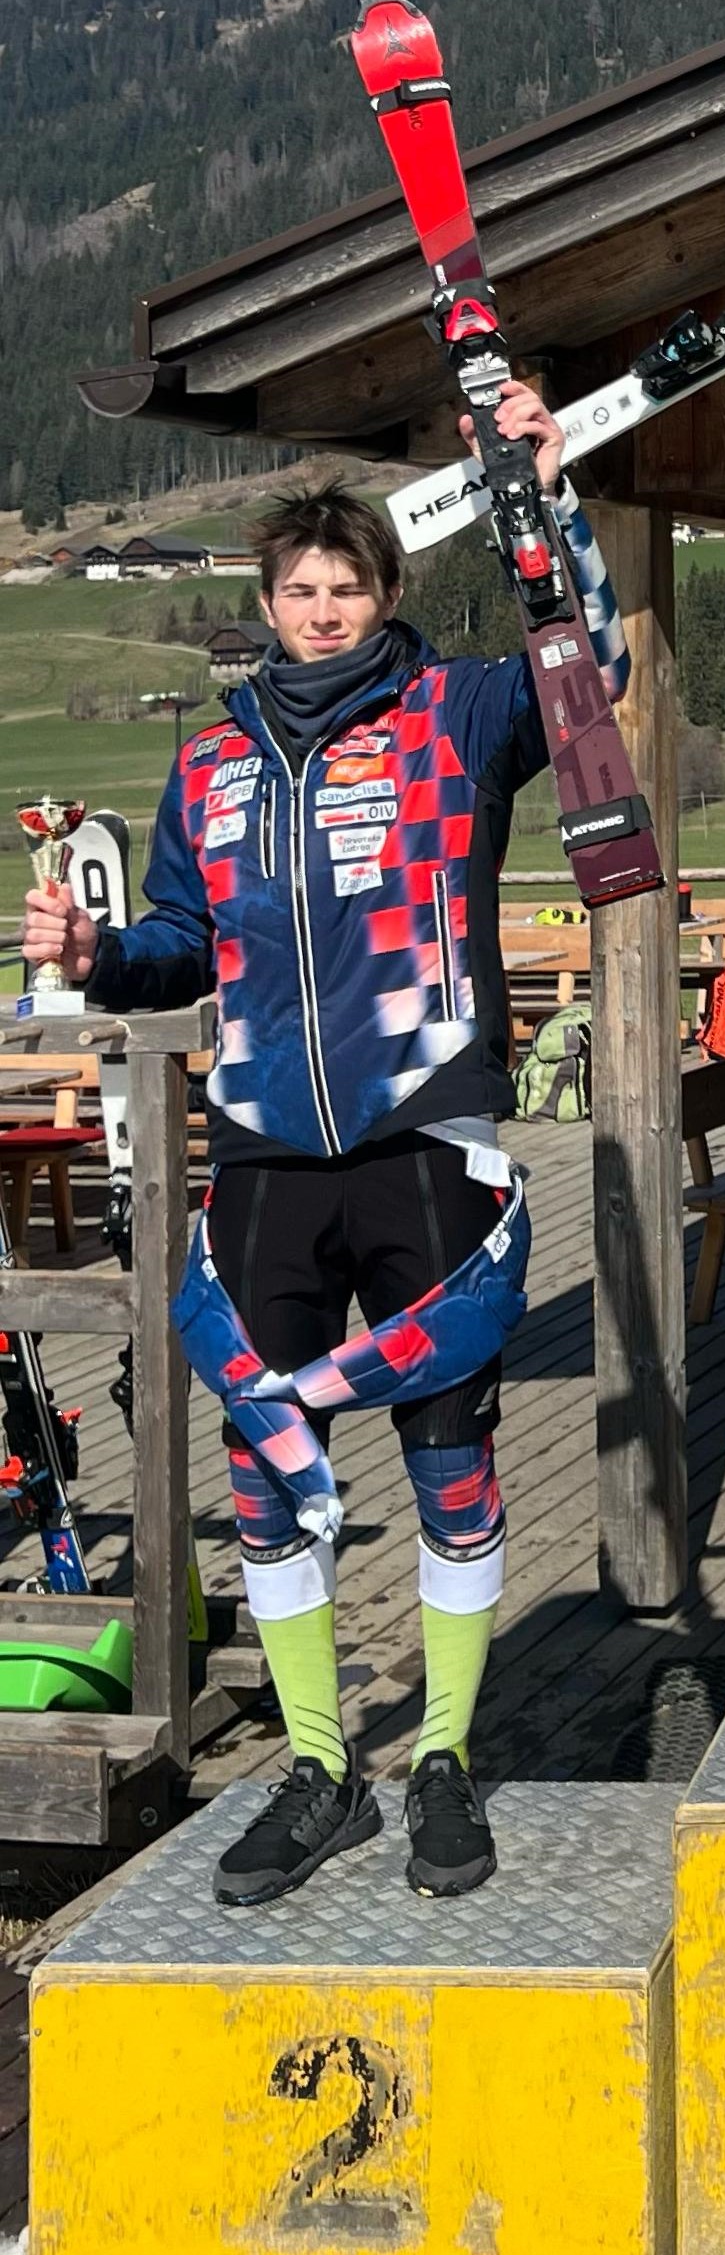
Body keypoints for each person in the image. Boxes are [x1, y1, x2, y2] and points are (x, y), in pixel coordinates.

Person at [21, 437, 625, 1904]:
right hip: (263, 1158)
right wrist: (99, 954)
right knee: (267, 1461)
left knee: (450, 1455)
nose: (323, 609)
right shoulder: (212, 761)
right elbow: (181, 941)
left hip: (427, 1140)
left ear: (387, 592)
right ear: (268, 603)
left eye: (345, 585)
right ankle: (316, 1766)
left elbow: (589, 667)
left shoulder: (458, 711)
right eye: (299, 588)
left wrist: (549, 500)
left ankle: (445, 1757)